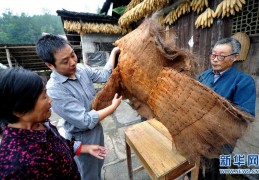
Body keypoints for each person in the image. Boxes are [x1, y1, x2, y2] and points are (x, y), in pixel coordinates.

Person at [35, 34, 122, 180]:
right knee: (88, 174)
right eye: (65, 61)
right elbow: (85, 121)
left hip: (96, 128)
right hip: (81, 137)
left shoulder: (81, 69)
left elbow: (103, 76)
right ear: (50, 65)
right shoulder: (55, 90)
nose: (73, 62)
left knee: (98, 165)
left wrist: (114, 53)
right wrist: (112, 107)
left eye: (73, 55)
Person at [0, 68, 108, 179]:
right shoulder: (19, 167)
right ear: (19, 110)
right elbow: (85, 120)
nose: (50, 100)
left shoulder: (40, 123)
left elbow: (58, 142)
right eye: (44, 96)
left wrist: (84, 148)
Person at [197, 37, 256, 179]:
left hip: (222, 138)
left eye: (221, 56)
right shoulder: (204, 75)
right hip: (199, 132)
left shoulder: (243, 81)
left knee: (215, 170)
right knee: (197, 163)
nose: (215, 60)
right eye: (213, 55)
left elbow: (245, 115)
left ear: (235, 57)